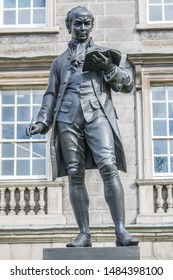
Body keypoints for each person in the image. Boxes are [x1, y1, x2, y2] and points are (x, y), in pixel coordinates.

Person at [26, 6, 138, 247]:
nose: (83, 28)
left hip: (97, 115)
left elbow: (128, 85)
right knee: (75, 174)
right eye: (77, 24)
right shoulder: (59, 62)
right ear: (69, 27)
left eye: (87, 23)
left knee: (109, 166)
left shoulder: (105, 53)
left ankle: (121, 231)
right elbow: (51, 94)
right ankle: (84, 234)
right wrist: (42, 121)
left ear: (92, 26)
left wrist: (109, 68)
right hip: (67, 118)